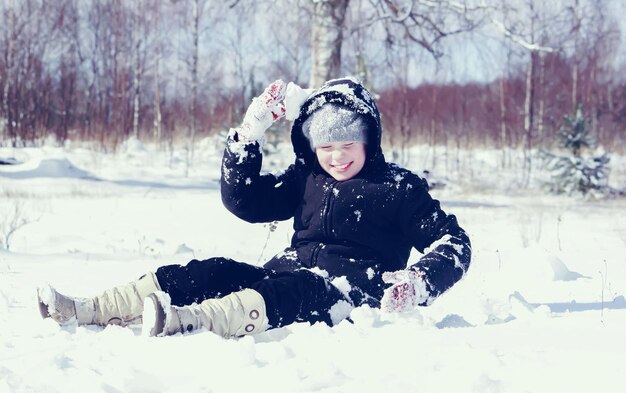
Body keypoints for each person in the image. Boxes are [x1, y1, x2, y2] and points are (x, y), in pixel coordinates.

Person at [38, 77, 471, 338]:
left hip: (348, 295)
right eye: (326, 147)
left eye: (347, 145)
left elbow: (454, 242)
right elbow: (244, 201)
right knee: (214, 270)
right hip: (284, 274)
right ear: (312, 146)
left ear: (367, 141)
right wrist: (251, 131)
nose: (337, 157)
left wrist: (418, 282)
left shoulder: (397, 187)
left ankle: (186, 322)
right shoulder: (307, 177)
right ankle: (89, 308)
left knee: (296, 290)